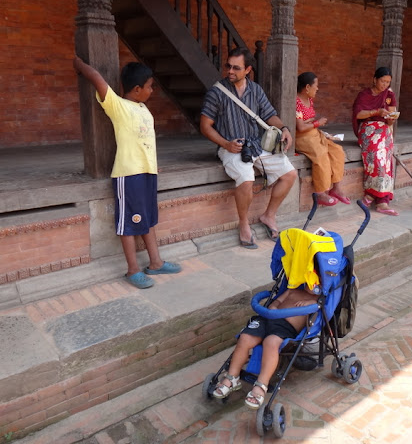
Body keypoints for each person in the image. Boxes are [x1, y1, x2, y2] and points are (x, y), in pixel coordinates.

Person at [73, 56, 182, 289]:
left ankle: (155, 263)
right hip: (128, 175)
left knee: (149, 220)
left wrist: (152, 164)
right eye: (150, 86)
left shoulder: (142, 108)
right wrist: (78, 64)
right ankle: (132, 270)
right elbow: (97, 79)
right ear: (136, 89)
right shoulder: (118, 106)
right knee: (129, 223)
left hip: (147, 173)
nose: (152, 90)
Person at [200, 47, 297, 248]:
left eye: (236, 68)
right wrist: (225, 144)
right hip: (231, 147)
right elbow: (205, 126)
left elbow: (270, 115)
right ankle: (243, 224)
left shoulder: (256, 90)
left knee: (290, 175)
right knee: (246, 179)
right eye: (228, 66)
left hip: (257, 145)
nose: (230, 71)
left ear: (248, 70)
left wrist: (284, 128)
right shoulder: (216, 92)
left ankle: (269, 215)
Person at [211, 282, 320, 409]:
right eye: (310, 280)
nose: (313, 285)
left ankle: (261, 384)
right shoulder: (291, 291)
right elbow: (278, 300)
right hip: (267, 319)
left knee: (271, 342)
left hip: (285, 328)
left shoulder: (317, 301)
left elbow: (318, 313)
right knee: (245, 338)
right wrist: (273, 306)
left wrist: (311, 303)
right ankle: (232, 377)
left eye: (318, 283)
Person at [295, 72, 351, 207]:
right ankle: (321, 192)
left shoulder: (309, 100)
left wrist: (311, 123)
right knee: (321, 155)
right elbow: (301, 128)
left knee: (337, 150)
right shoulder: (296, 102)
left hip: (314, 133)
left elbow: (306, 122)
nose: (317, 89)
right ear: (307, 87)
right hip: (302, 137)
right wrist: (316, 123)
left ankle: (336, 188)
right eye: (316, 86)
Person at [351, 67, 399, 216]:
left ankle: (376, 198)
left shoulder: (389, 95)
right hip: (368, 129)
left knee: (385, 157)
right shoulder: (364, 94)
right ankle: (377, 198)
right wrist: (376, 112)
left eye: (388, 82)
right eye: (382, 81)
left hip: (384, 129)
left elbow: (391, 119)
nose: (385, 85)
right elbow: (358, 114)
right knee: (377, 157)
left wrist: (390, 119)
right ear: (374, 79)